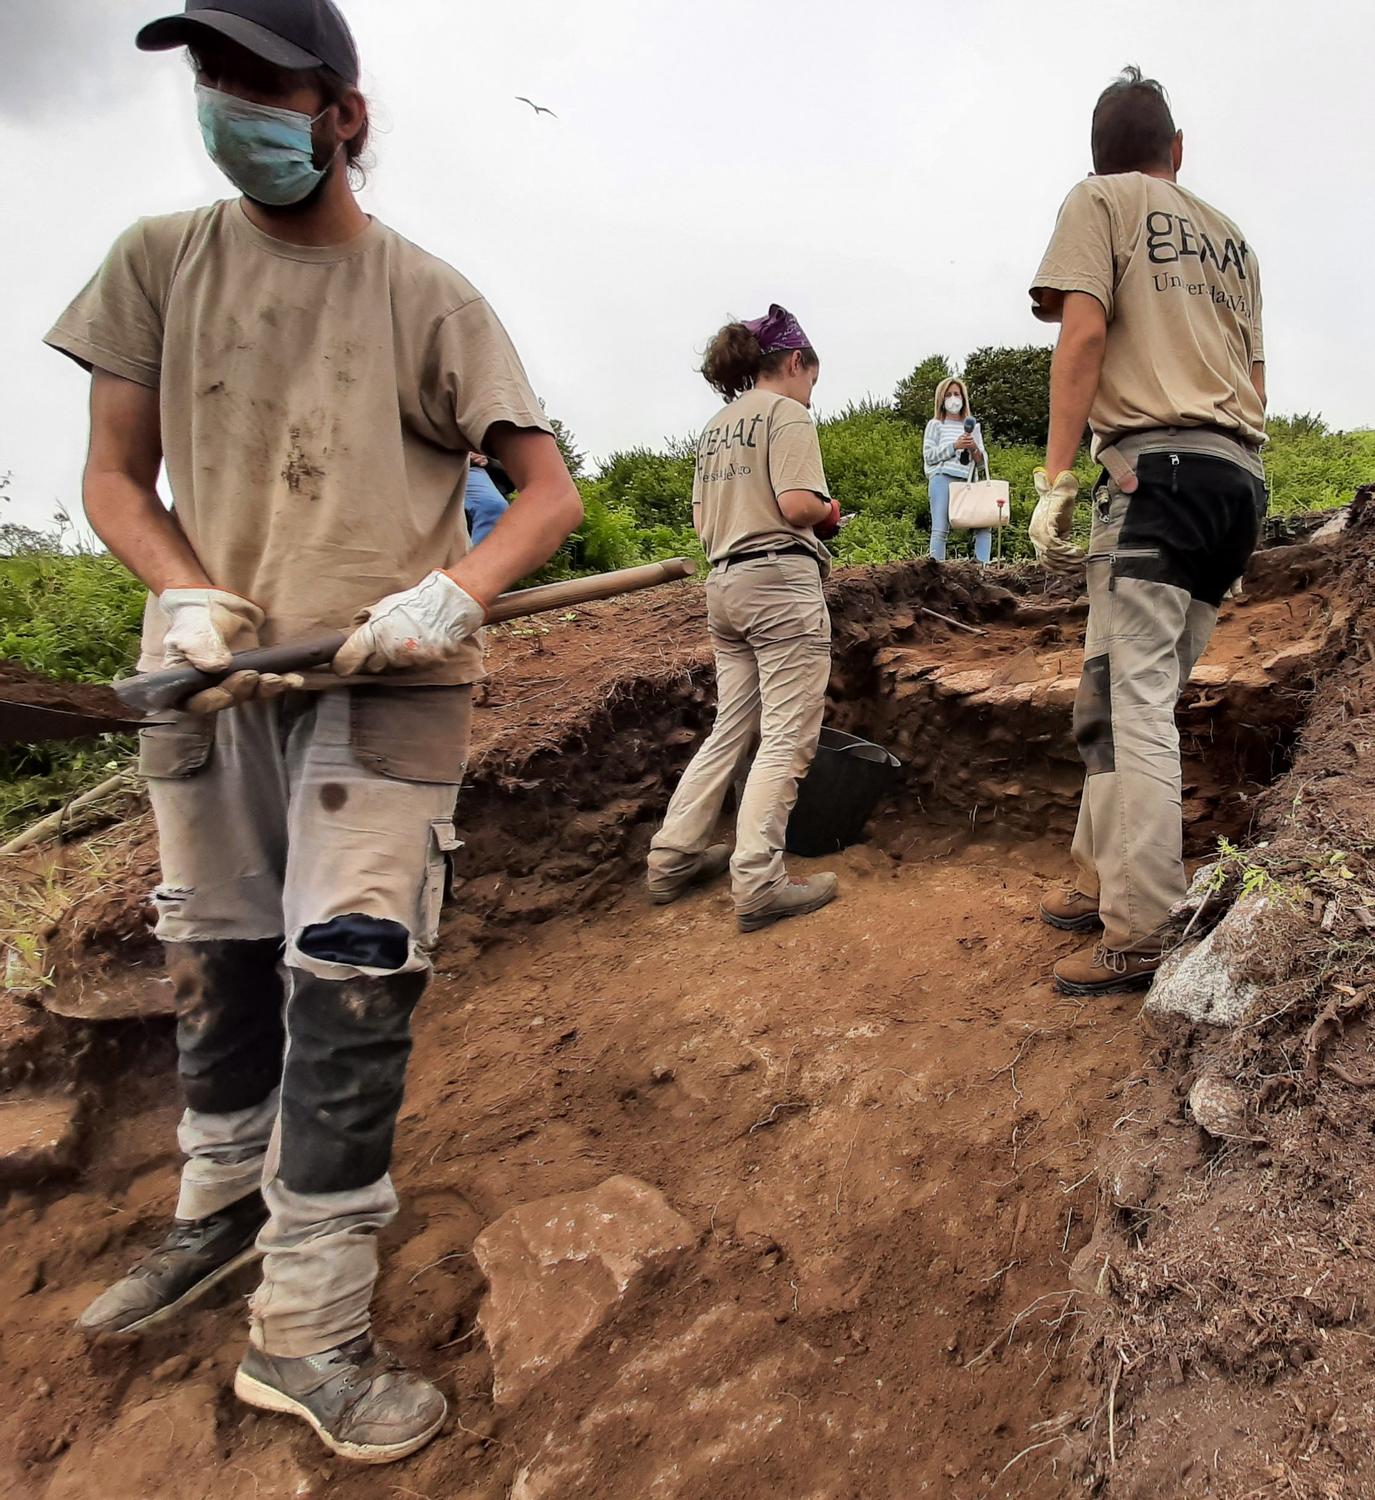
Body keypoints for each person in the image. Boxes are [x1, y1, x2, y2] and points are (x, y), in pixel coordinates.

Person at [44, 0, 581, 1465]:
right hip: (213, 683)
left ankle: (311, 1327)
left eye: (260, 84)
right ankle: (215, 1217)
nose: (228, 107)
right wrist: (187, 592)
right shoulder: (161, 261)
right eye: (210, 81)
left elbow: (546, 495)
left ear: (341, 110)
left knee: (347, 982)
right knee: (214, 958)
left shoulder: (429, 298)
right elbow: (112, 475)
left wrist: (449, 596)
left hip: (381, 689)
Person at [1026, 67, 1268, 997]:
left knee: (1133, 713)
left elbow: (1081, 336)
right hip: (1234, 479)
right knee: (1114, 696)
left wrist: (1053, 478)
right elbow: (1253, 375)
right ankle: (1104, 879)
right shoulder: (1233, 237)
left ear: (1102, 158)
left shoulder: (1099, 201)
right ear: (1177, 152)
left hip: (1151, 476)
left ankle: (1144, 930)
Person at [644, 305, 842, 931]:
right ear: (793, 362)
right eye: (813, 376)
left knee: (733, 724)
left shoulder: (715, 427)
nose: (812, 390)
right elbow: (796, 504)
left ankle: (672, 857)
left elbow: (704, 524)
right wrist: (829, 511)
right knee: (787, 733)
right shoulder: (787, 414)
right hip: (779, 581)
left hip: (723, 584)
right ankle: (757, 880)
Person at [922, 376, 993, 563]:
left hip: (969, 481)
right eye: (949, 395)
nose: (953, 399)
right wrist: (955, 445)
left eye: (957, 394)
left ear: (963, 398)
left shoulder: (973, 427)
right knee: (940, 528)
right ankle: (936, 569)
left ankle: (983, 567)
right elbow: (929, 455)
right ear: (941, 399)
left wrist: (973, 448)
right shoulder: (935, 425)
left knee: (983, 525)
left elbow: (981, 462)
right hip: (942, 479)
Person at [463, 453, 510, 545]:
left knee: (492, 506)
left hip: (466, 465)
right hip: (431, 462)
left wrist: (485, 459)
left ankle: (481, 558)